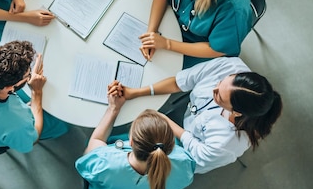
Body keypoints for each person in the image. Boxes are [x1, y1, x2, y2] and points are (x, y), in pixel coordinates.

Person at [110, 57, 283, 173]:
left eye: (219, 96)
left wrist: (166, 121)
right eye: (221, 82)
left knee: (131, 147)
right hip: (187, 121)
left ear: (236, 112)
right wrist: (136, 92)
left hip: (188, 153)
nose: (214, 89)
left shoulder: (226, 143)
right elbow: (181, 82)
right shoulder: (231, 65)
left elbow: (194, 157)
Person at [76, 81, 195, 189]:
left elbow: (89, 152)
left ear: (130, 142)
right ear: (170, 144)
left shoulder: (105, 163)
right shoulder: (184, 163)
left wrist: (113, 109)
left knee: (90, 143)